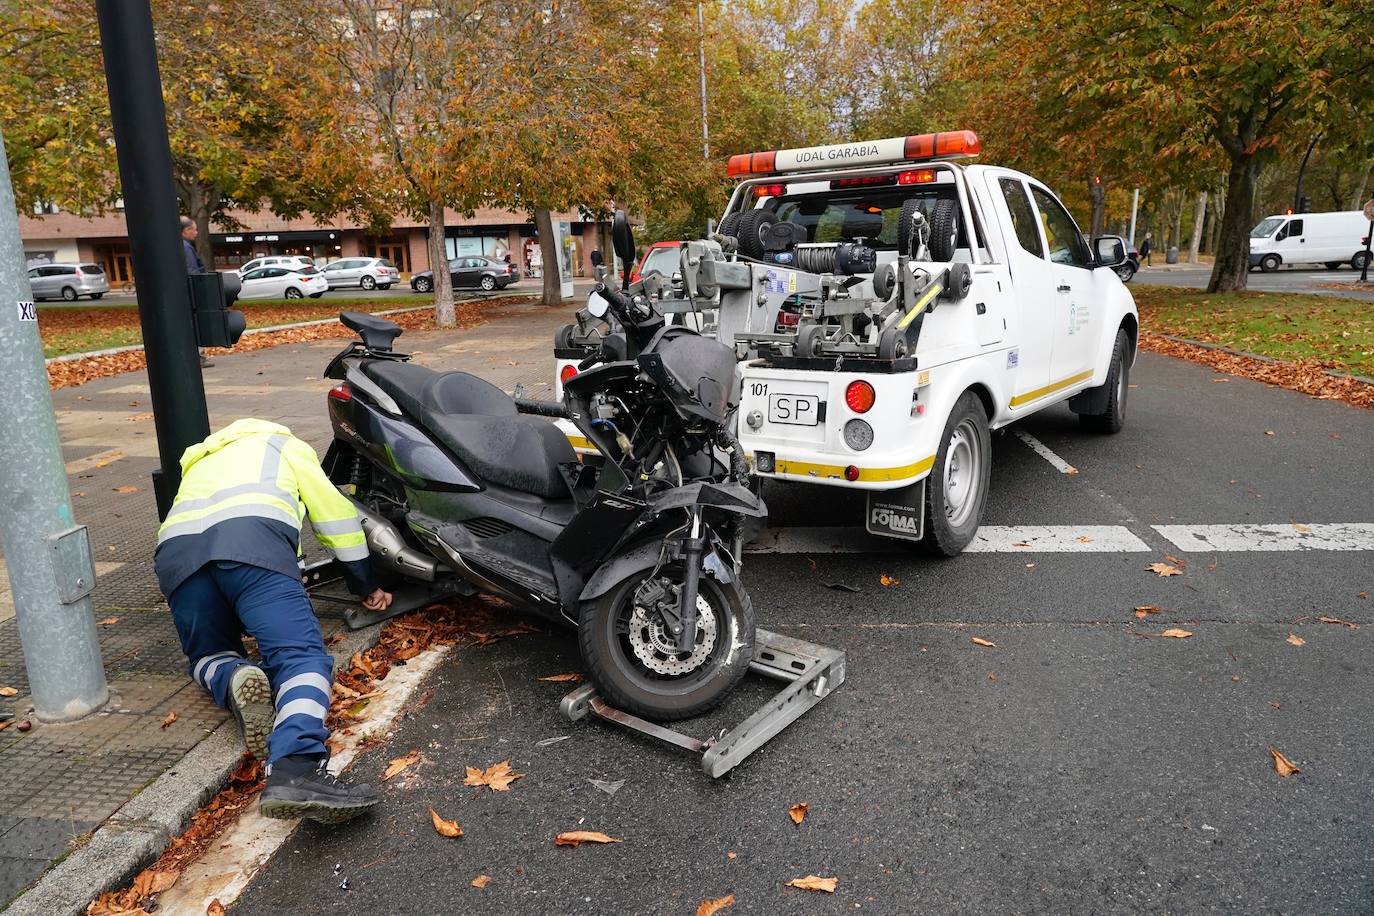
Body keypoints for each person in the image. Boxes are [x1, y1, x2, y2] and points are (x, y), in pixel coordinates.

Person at [154, 418, 393, 823]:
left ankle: (230, 675)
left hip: (176, 559)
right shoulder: (285, 446)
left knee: (207, 654)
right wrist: (365, 584)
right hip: (254, 548)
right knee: (299, 658)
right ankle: (296, 767)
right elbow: (335, 519)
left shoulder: (199, 460)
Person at [180, 216, 214, 369]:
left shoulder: (178, 246)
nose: (197, 232)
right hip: (190, 296)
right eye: (194, 229)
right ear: (186, 231)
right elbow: (193, 272)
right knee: (195, 325)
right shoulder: (186, 248)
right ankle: (199, 356)